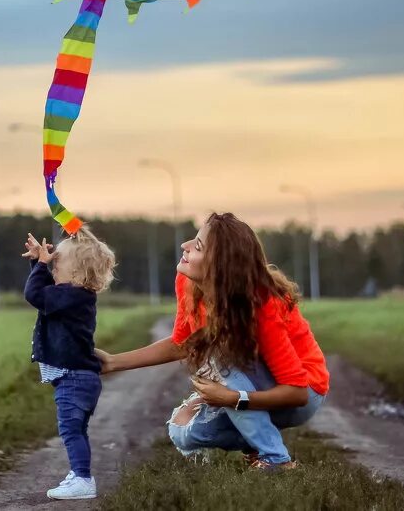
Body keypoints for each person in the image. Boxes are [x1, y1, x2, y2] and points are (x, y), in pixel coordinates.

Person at [95, 212, 328, 469]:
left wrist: (233, 399)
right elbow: (181, 343)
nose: (185, 246)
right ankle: (256, 442)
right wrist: (113, 362)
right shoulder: (187, 282)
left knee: (217, 355)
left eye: (198, 245)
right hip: (248, 381)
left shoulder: (262, 305)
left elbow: (296, 392)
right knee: (183, 432)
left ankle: (276, 460)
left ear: (219, 265)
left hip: (304, 391)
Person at [22, 228, 117, 500]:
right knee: (76, 430)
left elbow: (35, 295)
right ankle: (79, 474)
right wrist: (36, 263)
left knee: (70, 430)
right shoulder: (74, 295)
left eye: (56, 264)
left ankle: (83, 479)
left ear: (76, 274)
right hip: (79, 378)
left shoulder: (73, 296)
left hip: (74, 379)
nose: (51, 267)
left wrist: (40, 264)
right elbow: (44, 293)